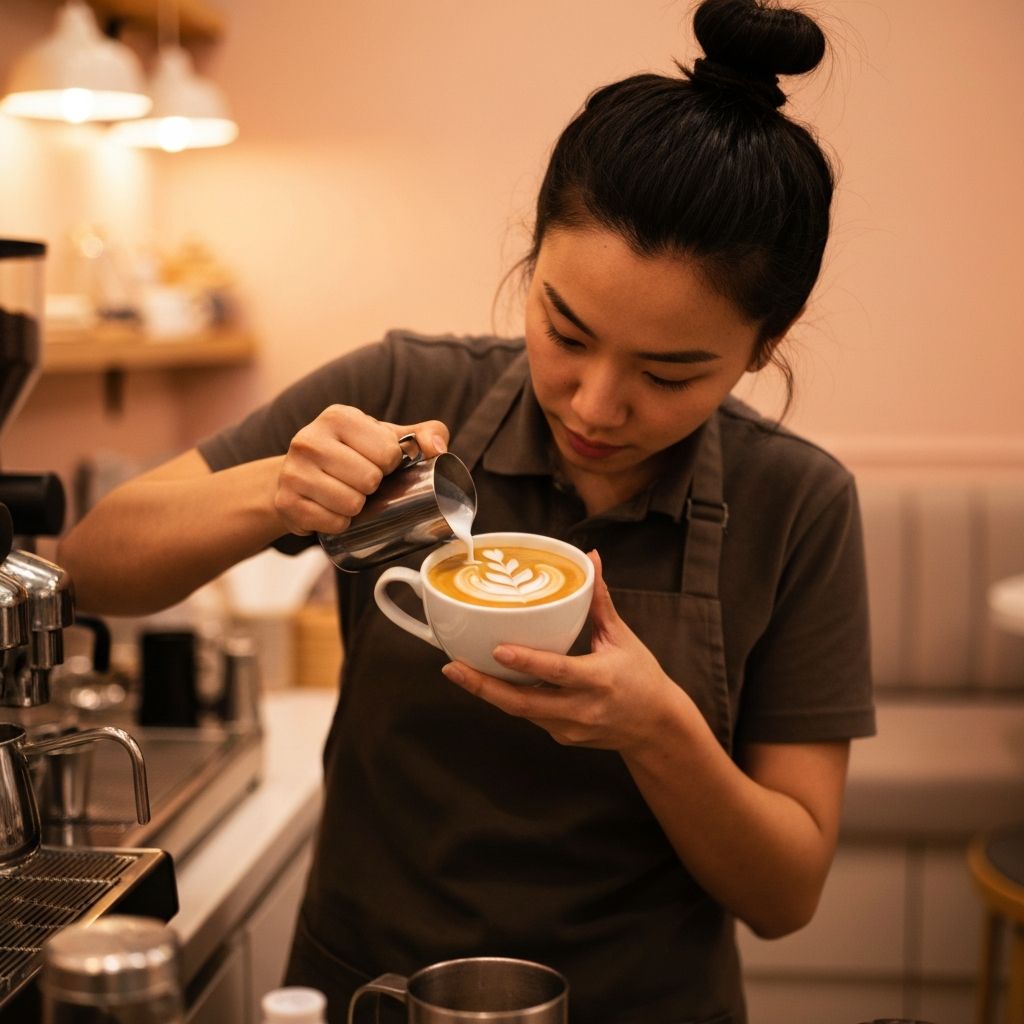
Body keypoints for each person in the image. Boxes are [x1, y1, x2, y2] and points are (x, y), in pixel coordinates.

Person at [58, 1, 874, 1021]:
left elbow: (785, 893)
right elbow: (90, 565)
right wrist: (273, 488)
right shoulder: (406, 389)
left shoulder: (795, 501)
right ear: (530, 262)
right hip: (370, 994)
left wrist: (656, 728)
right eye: (564, 330)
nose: (593, 404)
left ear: (762, 346)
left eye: (669, 374)